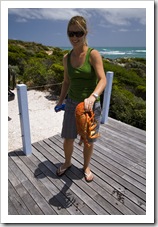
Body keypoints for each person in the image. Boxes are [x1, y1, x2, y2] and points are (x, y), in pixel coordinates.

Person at [56, 15, 107, 182]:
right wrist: (60, 100)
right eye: (71, 33)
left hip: (90, 106)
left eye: (78, 33)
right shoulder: (66, 58)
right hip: (72, 104)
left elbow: (103, 79)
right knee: (68, 138)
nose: (74, 37)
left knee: (88, 140)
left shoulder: (93, 55)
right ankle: (67, 162)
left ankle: (86, 166)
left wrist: (93, 96)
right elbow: (66, 81)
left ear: (85, 33)